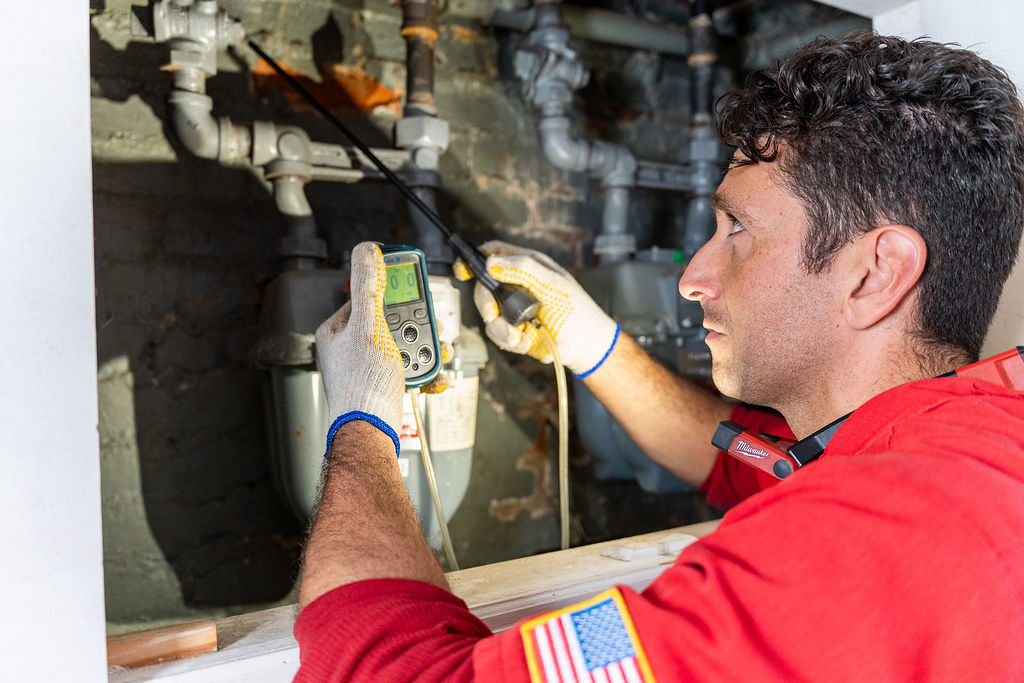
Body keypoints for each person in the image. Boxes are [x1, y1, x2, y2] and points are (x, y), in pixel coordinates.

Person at [294, 32, 1024, 681]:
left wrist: (362, 419)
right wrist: (589, 340)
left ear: (875, 272)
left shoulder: (842, 556)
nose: (692, 277)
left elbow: (379, 670)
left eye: (737, 227)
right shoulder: (970, 441)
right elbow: (745, 459)